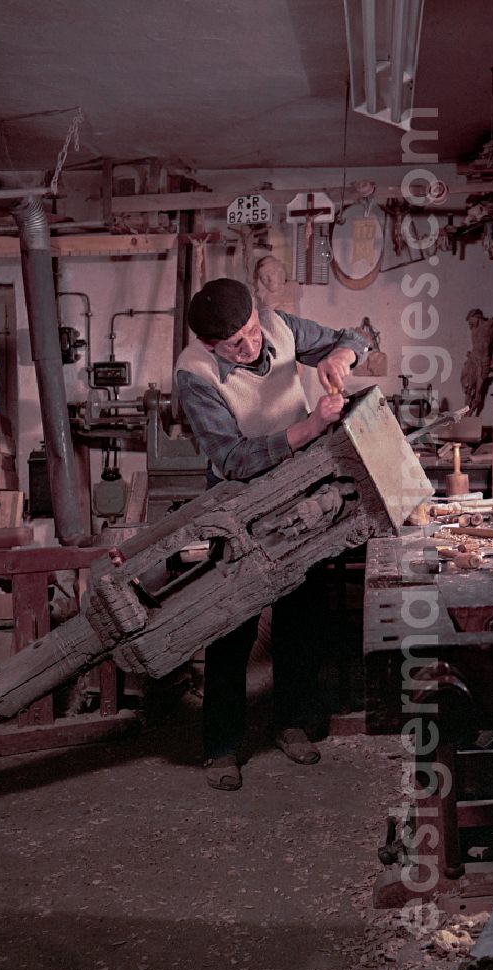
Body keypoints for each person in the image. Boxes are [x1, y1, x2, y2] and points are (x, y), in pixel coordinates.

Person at [174, 278, 369, 790]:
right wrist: (310, 427)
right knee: (230, 627)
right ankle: (221, 747)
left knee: (302, 617)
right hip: (238, 506)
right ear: (211, 346)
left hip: (300, 494)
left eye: (253, 330)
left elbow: (353, 336)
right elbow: (233, 459)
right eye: (236, 343)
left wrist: (340, 357)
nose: (252, 345)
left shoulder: (279, 327)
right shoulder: (194, 374)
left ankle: (293, 723)